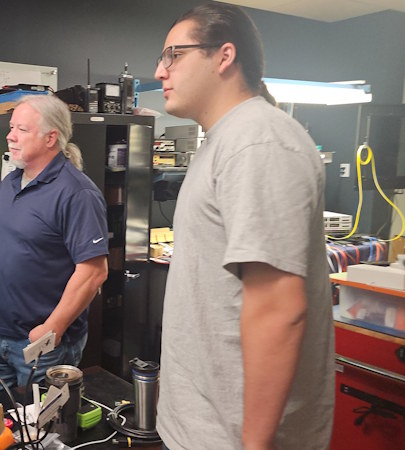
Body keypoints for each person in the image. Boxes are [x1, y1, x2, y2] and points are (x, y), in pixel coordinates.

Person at [153, 4, 334, 450]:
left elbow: (277, 307)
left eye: (173, 54)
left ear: (224, 56)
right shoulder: (225, 141)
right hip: (203, 427)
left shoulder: (258, 142)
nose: (160, 71)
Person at [0, 94, 109, 400]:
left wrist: (51, 328)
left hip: (44, 344)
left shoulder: (77, 193)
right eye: (11, 127)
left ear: (50, 138)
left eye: (22, 129)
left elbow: (94, 272)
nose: (10, 136)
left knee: (43, 433)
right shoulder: (11, 183)